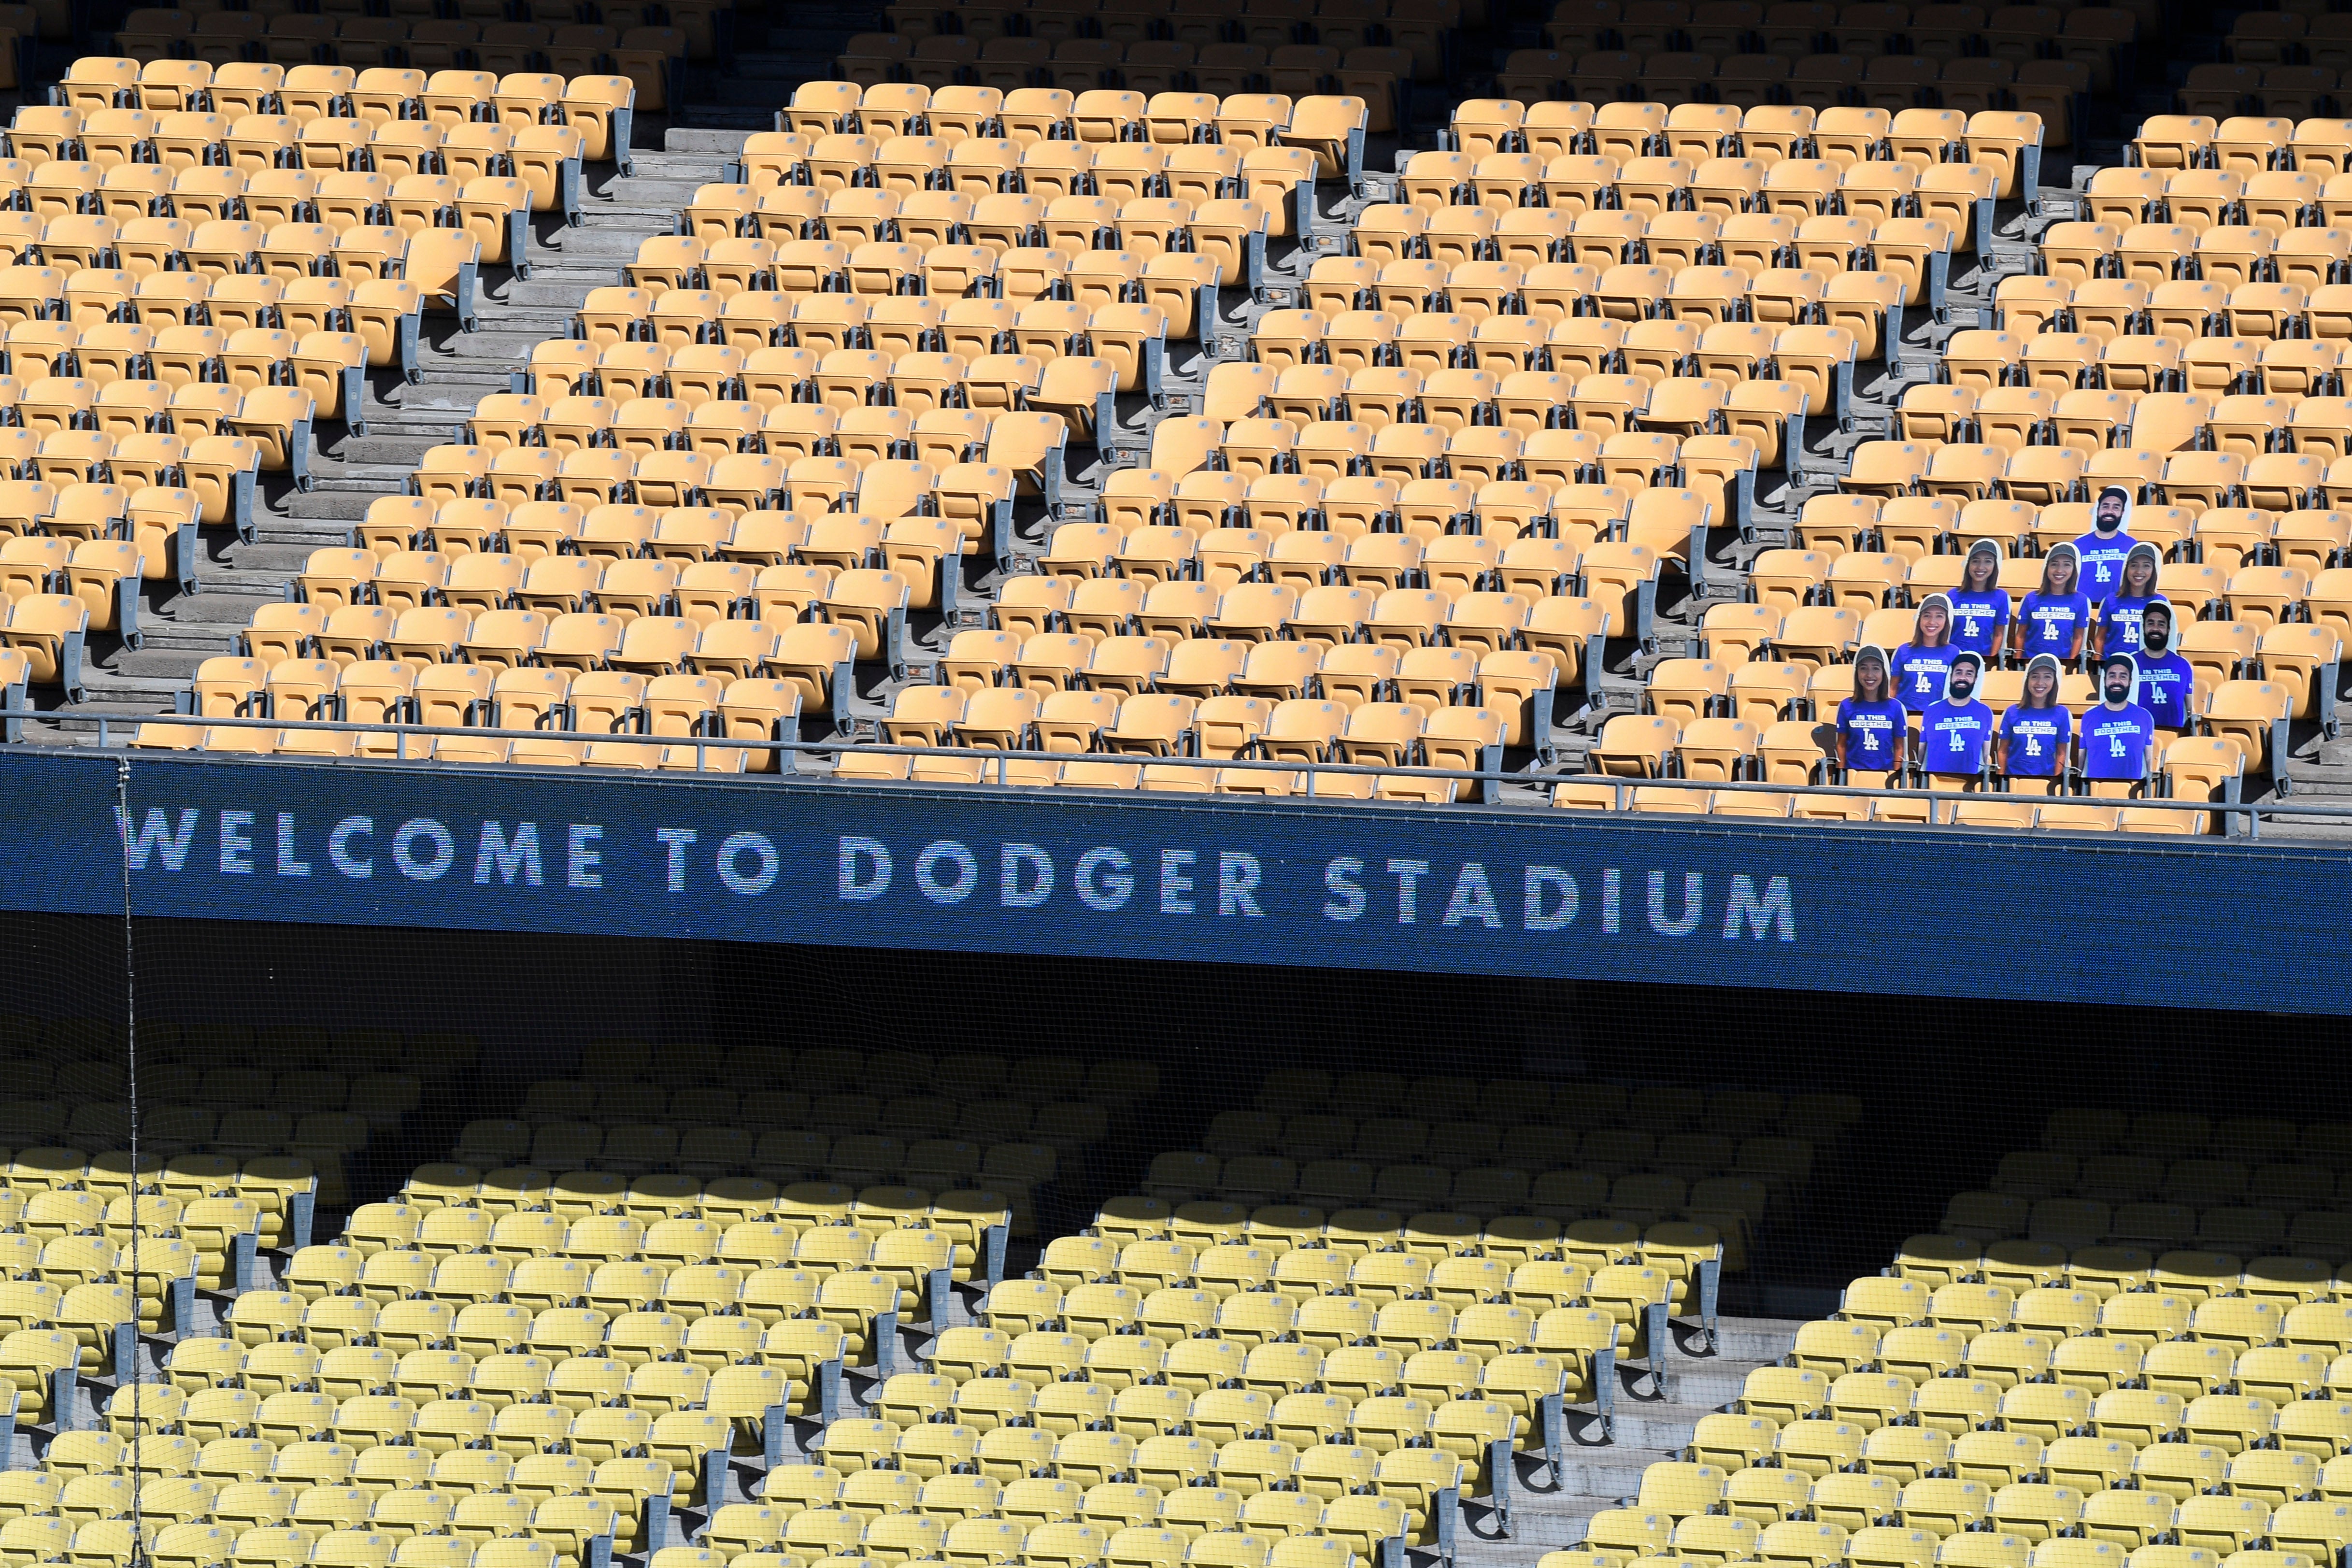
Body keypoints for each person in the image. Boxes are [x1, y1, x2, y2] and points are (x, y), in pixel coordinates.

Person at [2080, 650, 2158, 791]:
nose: (2117, 681)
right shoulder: (2089, 716)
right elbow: (2082, 760)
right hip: (2097, 792)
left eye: (2123, 676)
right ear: (2104, 680)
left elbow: (2149, 761)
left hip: (2132, 792)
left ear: (2130, 682)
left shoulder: (2144, 716)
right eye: (2112, 675)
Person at [1918, 648, 1995, 787]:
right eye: (1958, 672)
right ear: (1951, 676)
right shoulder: (1932, 710)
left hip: (1970, 784)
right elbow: (1921, 755)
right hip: (1935, 783)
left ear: (1975, 679)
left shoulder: (1985, 711)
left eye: (1969, 674)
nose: (1963, 678)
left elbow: (1986, 755)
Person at [1835, 644, 1908, 783]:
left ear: (1883, 673)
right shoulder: (1846, 706)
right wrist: (1842, 779)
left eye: (1876, 668)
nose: (1870, 675)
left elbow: (1899, 748)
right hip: (1854, 776)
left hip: (1885, 777)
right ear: (1857, 673)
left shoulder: (1895, 707)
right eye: (1864, 668)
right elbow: (1842, 745)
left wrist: (1895, 779)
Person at [1998, 653, 2071, 791]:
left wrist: (2055, 783)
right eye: (2035, 676)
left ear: (2054, 682)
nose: (2040, 683)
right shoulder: (2012, 712)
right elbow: (2003, 751)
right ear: (2028, 681)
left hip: (2045, 782)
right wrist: (2002, 783)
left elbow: (2062, 754)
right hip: (2014, 781)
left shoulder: (2062, 713)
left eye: (2047, 677)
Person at [2015, 542, 2092, 666]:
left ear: (2074, 570)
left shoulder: (2081, 600)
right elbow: (2021, 635)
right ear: (2047, 568)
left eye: (2067, 565)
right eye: (2054, 564)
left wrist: (2070, 663)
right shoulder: (2031, 598)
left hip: (2063, 663)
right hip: (2030, 662)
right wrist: (2019, 662)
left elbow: (2079, 638)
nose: (2059, 570)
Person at [2134, 598, 2195, 737]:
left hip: (2174, 737)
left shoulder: (2182, 664)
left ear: (2168, 630)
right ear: (2144, 627)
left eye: (2161, 624)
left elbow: (2191, 708)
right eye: (2151, 623)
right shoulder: (2132, 663)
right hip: (2141, 737)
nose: (2155, 629)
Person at [1890, 592, 1958, 713]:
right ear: (1919, 619)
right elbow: (1893, 688)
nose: (1932, 622)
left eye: (1939, 616)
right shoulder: (1904, 650)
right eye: (1927, 616)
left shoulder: (1954, 653)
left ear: (1947, 620)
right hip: (1906, 714)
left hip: (1938, 715)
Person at [2075, 484, 2141, 602]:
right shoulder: (2079, 544)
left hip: (2117, 607)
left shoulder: (2131, 544)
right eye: (2106, 506)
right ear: (2098, 510)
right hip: (2085, 607)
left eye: (2116, 507)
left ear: (2122, 513)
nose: (2110, 511)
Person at [1947, 539, 2011, 658]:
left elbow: (1999, 633)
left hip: (1983, 658)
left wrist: (1991, 659)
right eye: (1976, 561)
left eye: (1988, 562)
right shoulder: (1953, 595)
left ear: (1995, 566)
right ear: (1969, 565)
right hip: (1954, 658)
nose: (1981, 567)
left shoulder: (2001, 597)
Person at [2097, 542, 2164, 658]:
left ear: (2153, 570)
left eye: (2146, 566)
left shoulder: (2160, 602)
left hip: (2145, 664)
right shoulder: (2111, 600)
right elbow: (2100, 637)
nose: (2139, 571)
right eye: (2134, 565)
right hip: (2113, 665)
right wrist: (2097, 663)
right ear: (2127, 569)